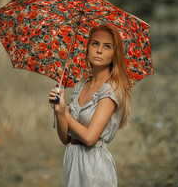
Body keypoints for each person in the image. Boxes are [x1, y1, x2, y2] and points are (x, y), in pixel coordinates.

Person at [49, 23, 131, 186]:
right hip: (72, 161)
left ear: (114, 54)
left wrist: (66, 113)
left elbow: (89, 138)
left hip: (94, 167)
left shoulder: (111, 91)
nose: (99, 50)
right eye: (95, 44)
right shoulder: (80, 86)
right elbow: (65, 138)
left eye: (107, 46)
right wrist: (59, 111)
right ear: (87, 48)